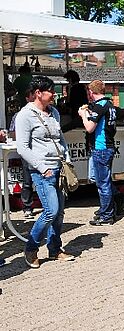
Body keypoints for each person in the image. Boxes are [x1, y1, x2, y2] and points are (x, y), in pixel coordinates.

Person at [15, 75, 75, 268]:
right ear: (38, 93)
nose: (54, 95)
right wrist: (43, 168)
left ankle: (55, 249)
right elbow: (22, 148)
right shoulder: (25, 115)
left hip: (59, 168)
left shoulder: (54, 112)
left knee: (59, 213)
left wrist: (66, 158)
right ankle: (31, 248)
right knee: (51, 211)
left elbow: (59, 139)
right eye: (51, 91)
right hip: (42, 171)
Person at [78, 80, 119, 226]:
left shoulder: (100, 105)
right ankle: (109, 207)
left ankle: (107, 215)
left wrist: (83, 114)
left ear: (91, 91)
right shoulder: (109, 105)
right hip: (108, 146)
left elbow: (89, 127)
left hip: (101, 148)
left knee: (103, 184)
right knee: (101, 180)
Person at [9, 90, 37, 218]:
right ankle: (27, 206)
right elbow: (12, 133)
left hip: (40, 150)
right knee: (27, 180)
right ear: (27, 98)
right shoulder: (19, 115)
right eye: (32, 96)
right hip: (27, 151)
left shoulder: (46, 112)